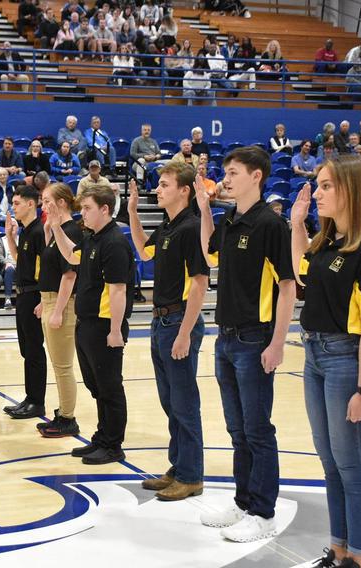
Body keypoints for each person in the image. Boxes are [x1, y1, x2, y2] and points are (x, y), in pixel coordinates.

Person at [290, 156, 361, 568]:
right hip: (316, 356)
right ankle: (338, 552)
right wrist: (298, 224)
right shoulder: (329, 240)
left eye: (326, 186)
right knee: (332, 463)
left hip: (348, 361)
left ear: (351, 189)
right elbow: (302, 275)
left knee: (353, 466)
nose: (316, 193)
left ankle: (359, 559)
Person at [195, 146, 296, 542]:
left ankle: (264, 513)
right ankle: (242, 502)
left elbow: (287, 286)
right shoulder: (230, 217)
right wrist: (205, 209)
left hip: (256, 338)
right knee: (237, 430)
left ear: (256, 176)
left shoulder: (272, 224)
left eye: (234, 172)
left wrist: (278, 342)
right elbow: (209, 253)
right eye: (226, 172)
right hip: (225, 337)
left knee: (257, 430)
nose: (227, 178)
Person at [129, 161, 210, 501]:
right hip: (161, 321)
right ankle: (179, 467)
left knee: (184, 402)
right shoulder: (168, 225)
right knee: (170, 402)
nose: (158, 189)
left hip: (179, 322)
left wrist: (184, 332)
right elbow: (143, 252)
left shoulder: (192, 228)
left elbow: (201, 282)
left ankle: (192, 476)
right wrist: (133, 212)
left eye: (164, 185)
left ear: (184, 191)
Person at [49, 183, 135, 464]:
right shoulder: (93, 238)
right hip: (86, 324)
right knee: (97, 386)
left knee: (110, 387)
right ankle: (101, 438)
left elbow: (118, 290)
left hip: (105, 327)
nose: (82, 214)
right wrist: (56, 227)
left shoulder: (114, 242)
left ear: (105, 209)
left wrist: (114, 331)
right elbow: (71, 255)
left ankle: (113, 445)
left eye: (87, 208)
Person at [34, 182, 82, 438]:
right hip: (51, 300)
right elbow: (51, 271)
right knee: (57, 364)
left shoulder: (71, 230)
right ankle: (63, 411)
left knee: (63, 366)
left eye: (47, 201)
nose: (44, 206)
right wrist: (45, 302)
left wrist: (58, 310)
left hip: (63, 304)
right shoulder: (56, 231)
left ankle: (68, 418)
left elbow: (70, 275)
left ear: (61, 202)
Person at [1, 185, 47, 419]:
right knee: (26, 350)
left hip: (34, 295)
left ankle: (37, 402)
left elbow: (46, 270)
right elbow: (20, 259)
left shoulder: (39, 231)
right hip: (23, 295)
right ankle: (30, 398)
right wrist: (10, 236)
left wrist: (43, 300)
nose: (13, 207)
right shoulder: (27, 231)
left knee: (35, 351)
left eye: (17, 203)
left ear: (31, 204)